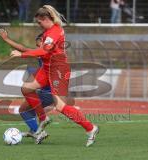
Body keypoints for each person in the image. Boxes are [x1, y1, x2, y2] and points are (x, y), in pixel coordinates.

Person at [9, 5, 99, 147]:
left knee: (60, 106)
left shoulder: (54, 32)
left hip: (58, 69)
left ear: (45, 19)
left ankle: (91, 128)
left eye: (39, 22)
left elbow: (44, 51)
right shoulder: (48, 31)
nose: (38, 25)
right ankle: (43, 119)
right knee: (26, 88)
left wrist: (22, 54)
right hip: (46, 68)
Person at [0, 30, 54, 143]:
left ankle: (38, 132)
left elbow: (24, 50)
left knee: (24, 110)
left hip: (49, 93)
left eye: (39, 43)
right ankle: (35, 131)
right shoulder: (43, 52)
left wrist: (20, 53)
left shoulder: (48, 53)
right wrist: (6, 39)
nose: (37, 46)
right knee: (25, 110)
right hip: (45, 92)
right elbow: (23, 48)